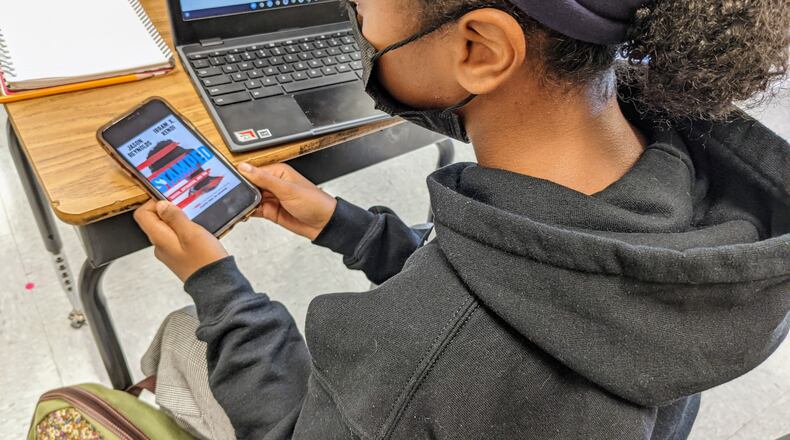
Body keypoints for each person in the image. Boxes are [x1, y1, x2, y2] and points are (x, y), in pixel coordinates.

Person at [133, 0, 790, 438]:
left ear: (480, 47)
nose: (358, 29)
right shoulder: (694, 202)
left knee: (184, 333)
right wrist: (347, 227)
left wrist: (215, 280)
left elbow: (291, 427)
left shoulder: (424, 351)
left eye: (363, 11)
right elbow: (522, 278)